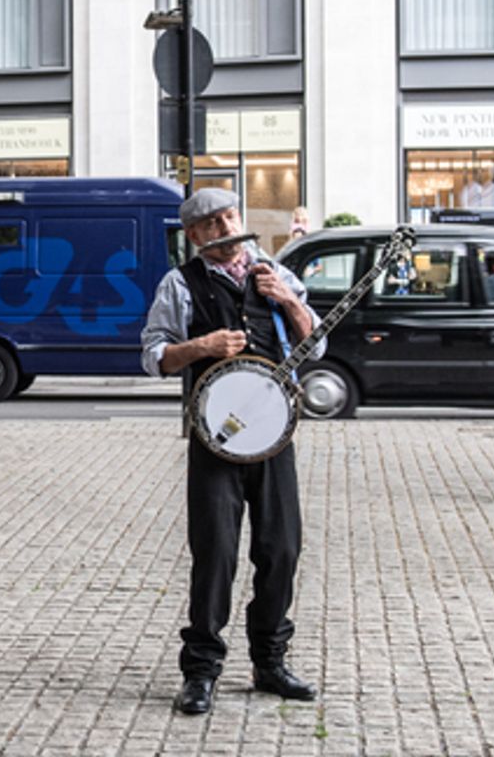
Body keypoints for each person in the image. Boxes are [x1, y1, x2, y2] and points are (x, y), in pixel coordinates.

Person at [140, 188, 324, 716]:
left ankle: (270, 663)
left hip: (273, 438)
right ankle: (200, 672)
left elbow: (317, 344)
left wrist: (287, 301)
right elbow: (153, 356)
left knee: (281, 550)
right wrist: (201, 347)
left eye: (230, 216)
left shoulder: (273, 272)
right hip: (214, 440)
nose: (225, 227)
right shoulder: (179, 284)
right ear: (195, 235)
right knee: (215, 554)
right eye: (212, 222)